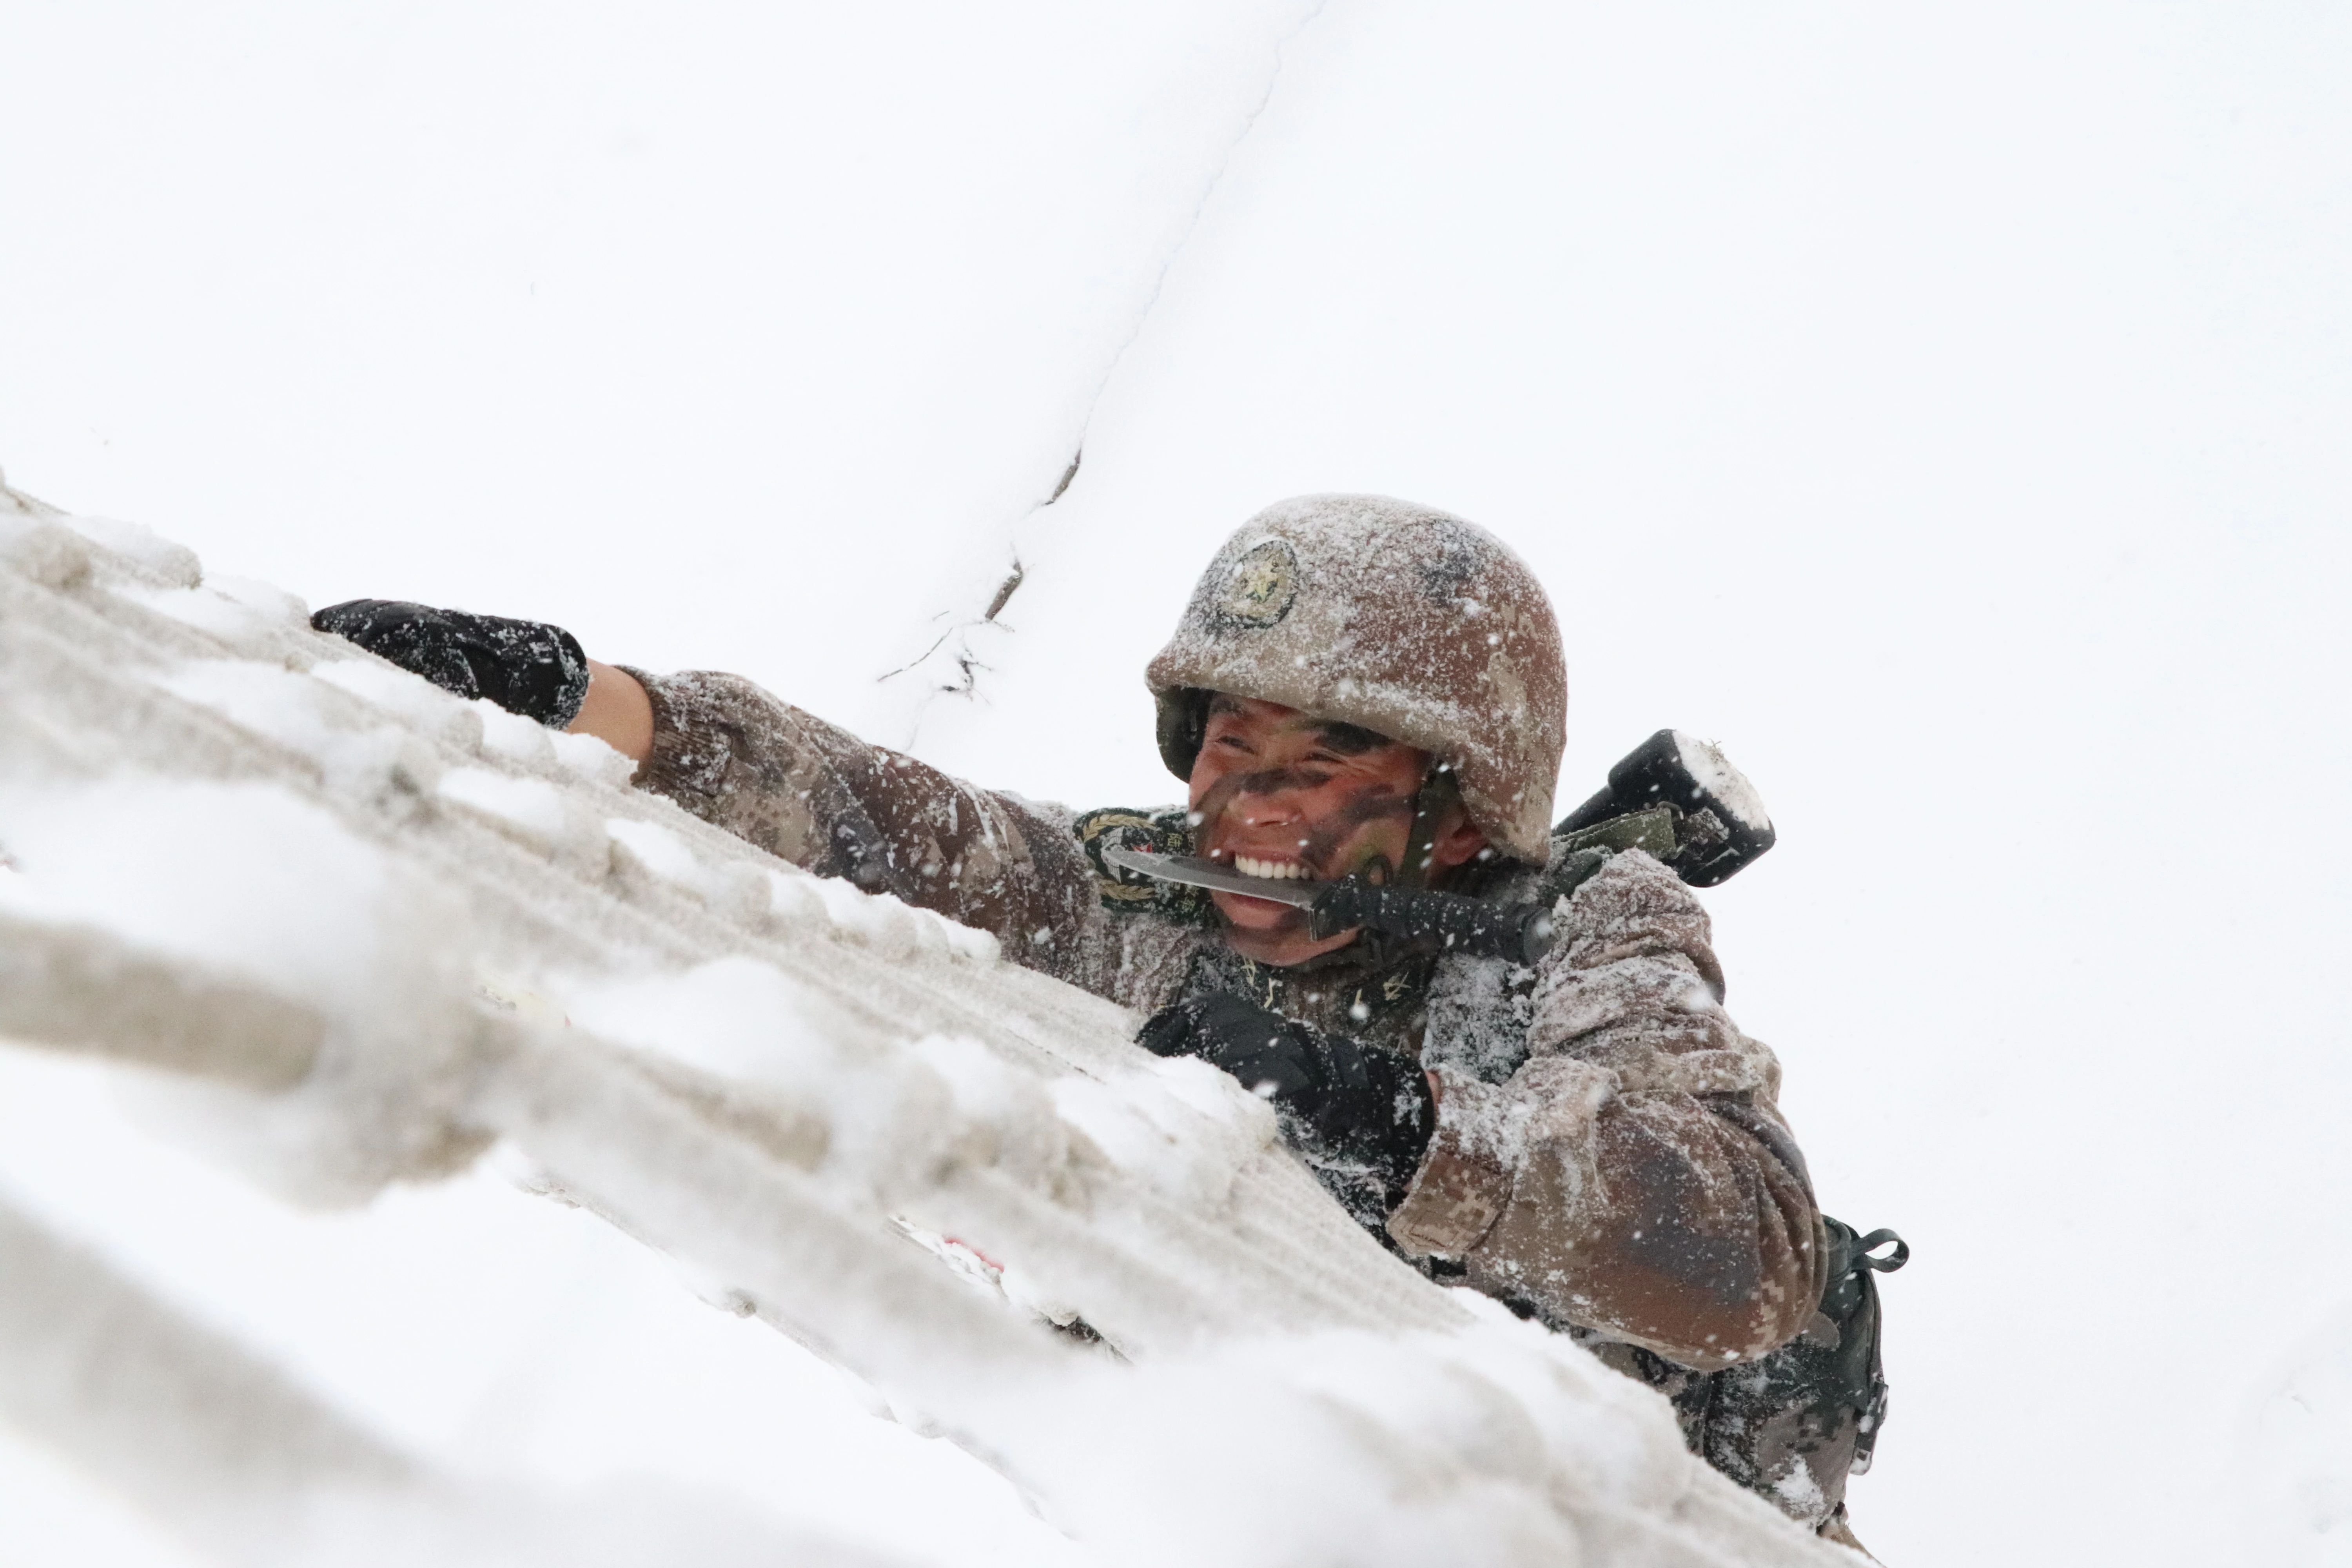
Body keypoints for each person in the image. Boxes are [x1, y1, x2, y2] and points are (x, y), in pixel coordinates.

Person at [313, 494, 1870, 1546]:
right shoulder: (1148, 897)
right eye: (1232, 740)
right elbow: (888, 827)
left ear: (1461, 804)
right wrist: (600, 707)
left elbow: (1737, 1252)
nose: (1251, 799)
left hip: (1654, 1495)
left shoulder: (1593, 926)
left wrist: (1400, 1126)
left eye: (1324, 761)